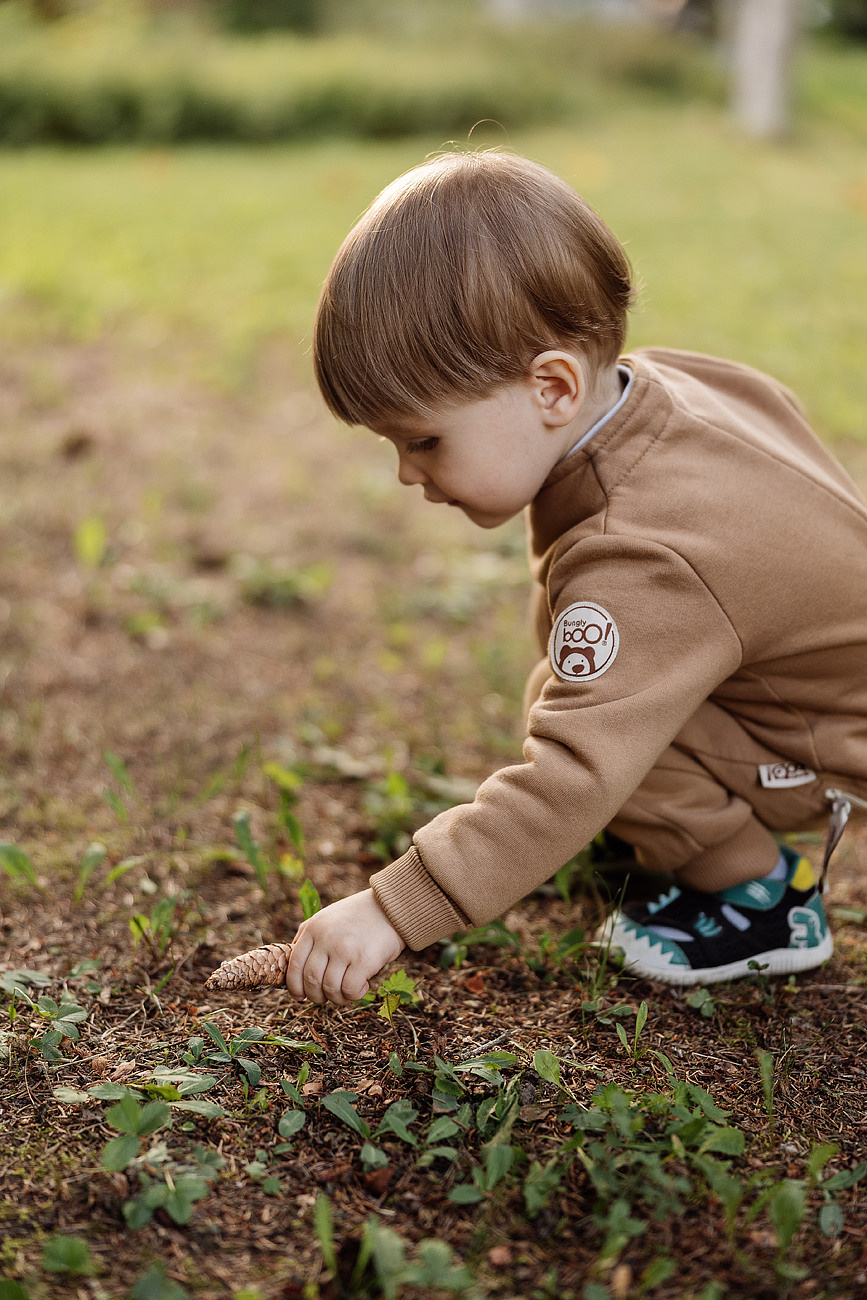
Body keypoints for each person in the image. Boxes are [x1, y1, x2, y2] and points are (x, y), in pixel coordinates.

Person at [284, 149, 867, 1007]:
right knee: (586, 682)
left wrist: (392, 909)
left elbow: (573, 772)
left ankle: (757, 900)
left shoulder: (639, 552)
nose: (408, 475)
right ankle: (690, 827)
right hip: (819, 701)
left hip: (831, 750)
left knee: (585, 728)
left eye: (422, 440)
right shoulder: (673, 388)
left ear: (551, 386)